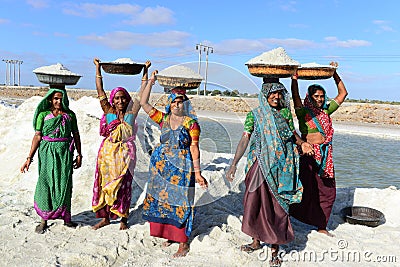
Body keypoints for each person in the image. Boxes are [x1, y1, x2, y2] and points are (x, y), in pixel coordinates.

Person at [226, 78, 312, 267]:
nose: (276, 96)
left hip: (281, 167)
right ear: (264, 95)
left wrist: (303, 143)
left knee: (277, 207)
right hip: (259, 166)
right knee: (254, 202)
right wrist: (233, 164)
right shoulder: (254, 115)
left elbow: (292, 135)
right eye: (272, 93)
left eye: (279, 93)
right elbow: (244, 139)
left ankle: (275, 249)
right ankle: (256, 242)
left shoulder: (285, 115)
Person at [140, 71, 208, 258]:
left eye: (181, 102)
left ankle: (183, 243)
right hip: (161, 167)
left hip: (182, 168)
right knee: (162, 201)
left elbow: (194, 148)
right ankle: (168, 234)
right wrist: (151, 82)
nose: (177, 105)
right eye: (174, 102)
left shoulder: (191, 124)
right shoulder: (163, 119)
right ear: (169, 104)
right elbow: (143, 103)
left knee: (181, 203)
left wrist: (198, 173)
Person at [289, 62, 348, 236]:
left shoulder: (326, 111)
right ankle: (292, 217)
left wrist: (335, 74)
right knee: (305, 189)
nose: (320, 99)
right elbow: (295, 95)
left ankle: (322, 226)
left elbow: (343, 93)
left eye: (322, 96)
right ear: (310, 96)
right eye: (316, 96)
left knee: (328, 191)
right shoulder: (303, 112)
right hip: (308, 155)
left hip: (325, 157)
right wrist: (295, 78)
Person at [91, 58, 150, 230]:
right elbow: (99, 90)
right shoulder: (108, 111)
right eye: (117, 98)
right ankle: (105, 218)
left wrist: (145, 71)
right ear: (113, 100)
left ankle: (123, 217)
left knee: (124, 185)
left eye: (123, 98)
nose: (120, 101)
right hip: (108, 153)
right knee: (104, 184)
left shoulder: (132, 112)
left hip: (126, 154)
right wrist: (98, 69)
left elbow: (142, 92)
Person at [20, 85, 82, 234]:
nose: (58, 102)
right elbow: (37, 136)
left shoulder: (70, 115)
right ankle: (44, 220)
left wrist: (79, 154)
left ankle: (67, 218)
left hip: (65, 153)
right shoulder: (43, 115)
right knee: (46, 182)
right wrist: (29, 157)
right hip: (47, 153)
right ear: (50, 99)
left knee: (65, 183)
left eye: (61, 99)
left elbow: (76, 135)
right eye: (55, 99)